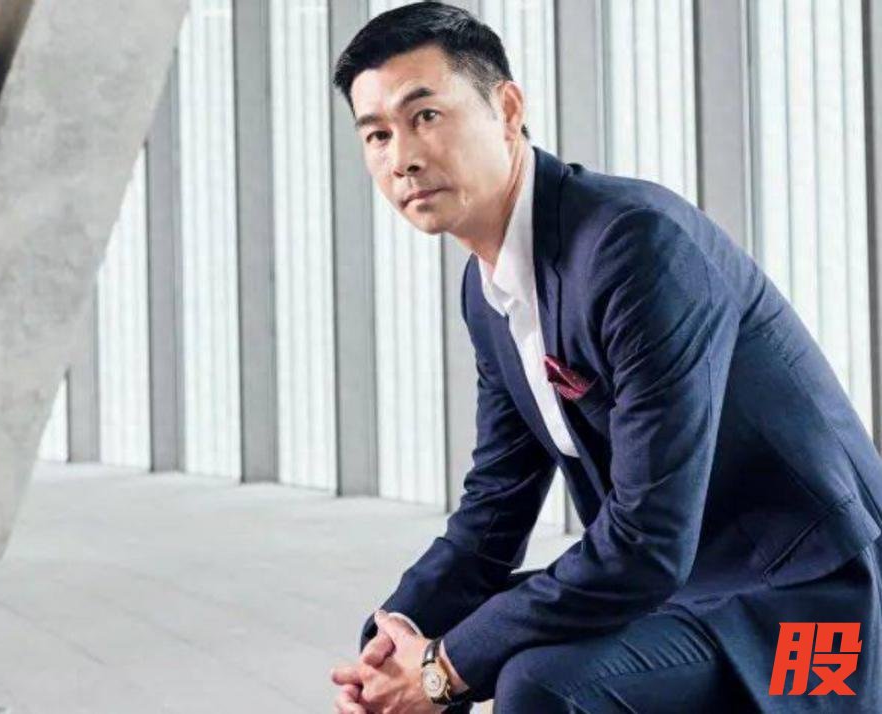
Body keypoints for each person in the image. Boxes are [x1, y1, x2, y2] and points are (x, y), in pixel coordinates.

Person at [326, 3, 882, 712]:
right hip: (687, 585)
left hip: (812, 615)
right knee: (427, 642)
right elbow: (495, 507)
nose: (401, 156)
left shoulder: (634, 247)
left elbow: (648, 538)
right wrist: (394, 636)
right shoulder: (489, 289)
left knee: (539, 681)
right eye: (377, 134)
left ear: (507, 109)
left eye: (425, 116)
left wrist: (441, 670)